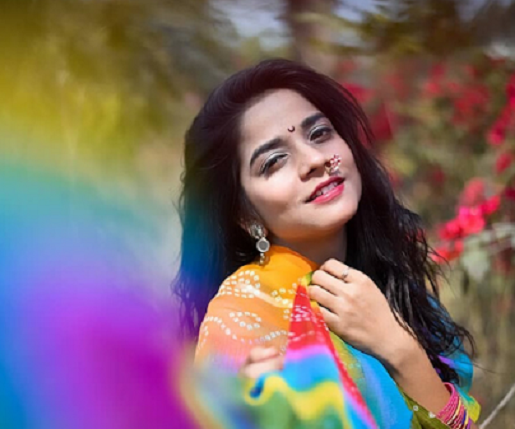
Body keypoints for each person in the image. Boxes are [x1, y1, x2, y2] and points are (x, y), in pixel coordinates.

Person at [174, 59, 480, 428]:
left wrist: (400, 349)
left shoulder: (396, 291)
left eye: (319, 134)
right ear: (244, 215)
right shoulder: (244, 317)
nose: (315, 160)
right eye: (274, 161)